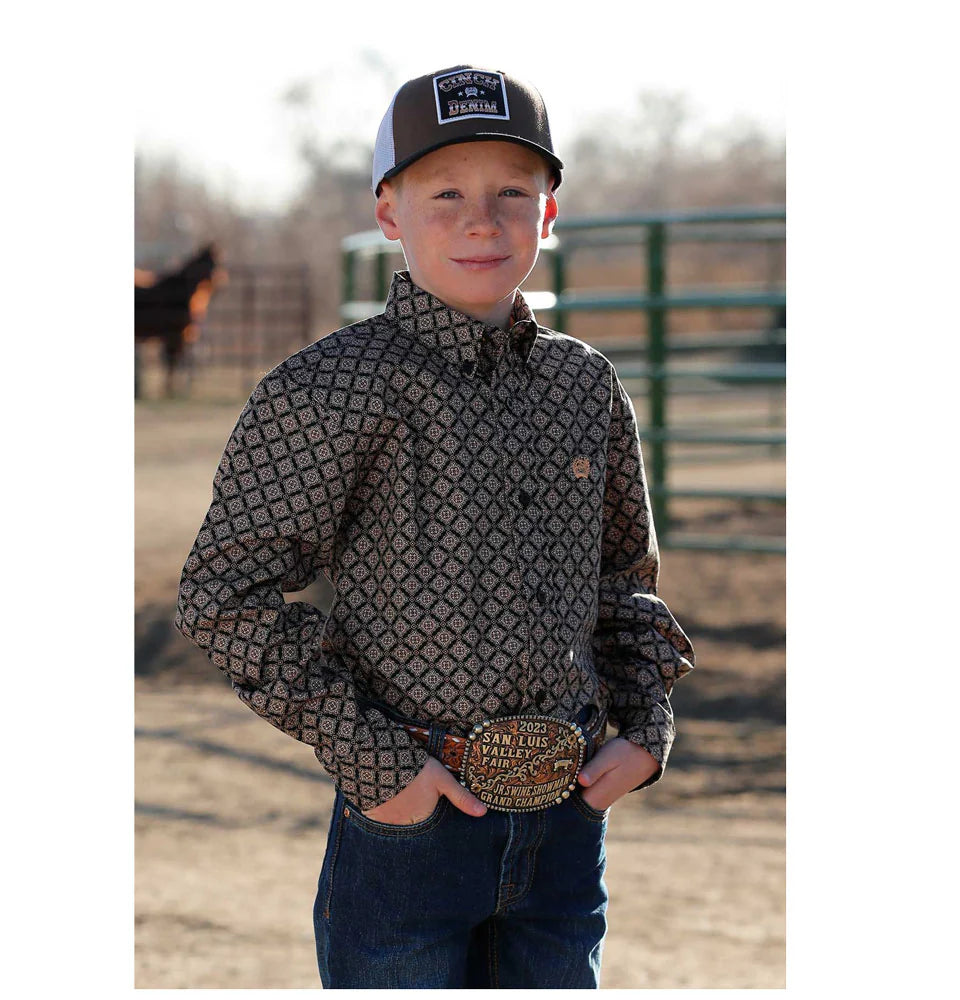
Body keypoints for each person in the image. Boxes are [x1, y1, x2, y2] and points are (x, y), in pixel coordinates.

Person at [174, 63, 695, 989]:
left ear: (550, 211)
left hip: (567, 825)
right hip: (409, 823)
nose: (480, 221)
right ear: (388, 211)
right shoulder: (328, 390)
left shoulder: (585, 387)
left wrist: (646, 727)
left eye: (511, 193)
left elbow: (626, 580)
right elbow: (224, 593)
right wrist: (378, 765)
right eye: (444, 192)